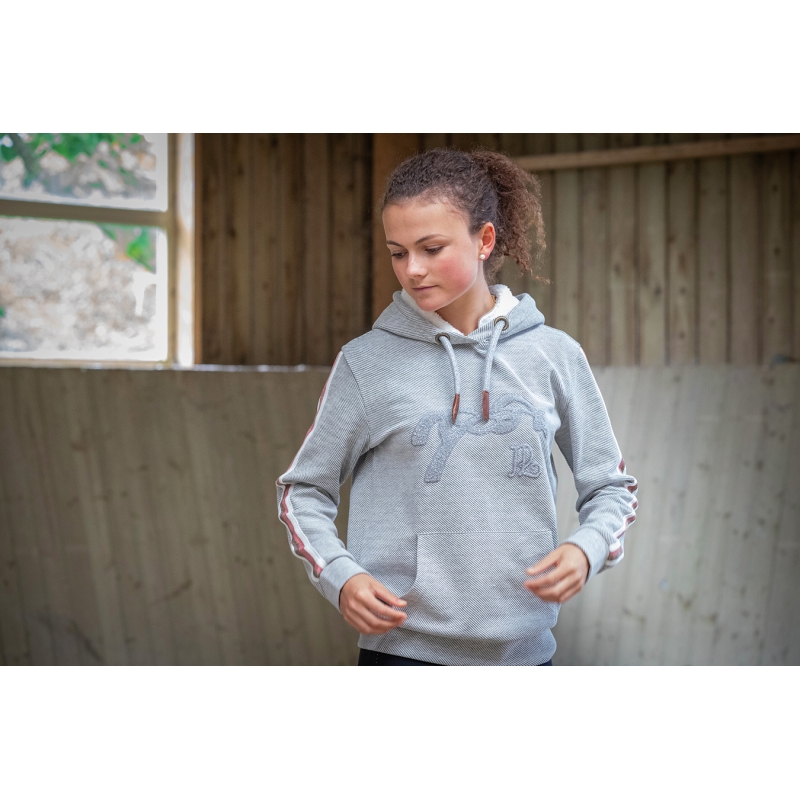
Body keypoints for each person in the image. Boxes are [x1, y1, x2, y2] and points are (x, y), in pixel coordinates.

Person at [276, 148, 638, 666]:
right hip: (402, 654)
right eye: (397, 252)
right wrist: (339, 574)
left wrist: (588, 547)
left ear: (484, 240)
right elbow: (303, 491)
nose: (412, 269)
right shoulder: (365, 363)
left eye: (431, 248)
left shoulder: (554, 356)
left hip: (526, 657)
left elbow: (611, 487)